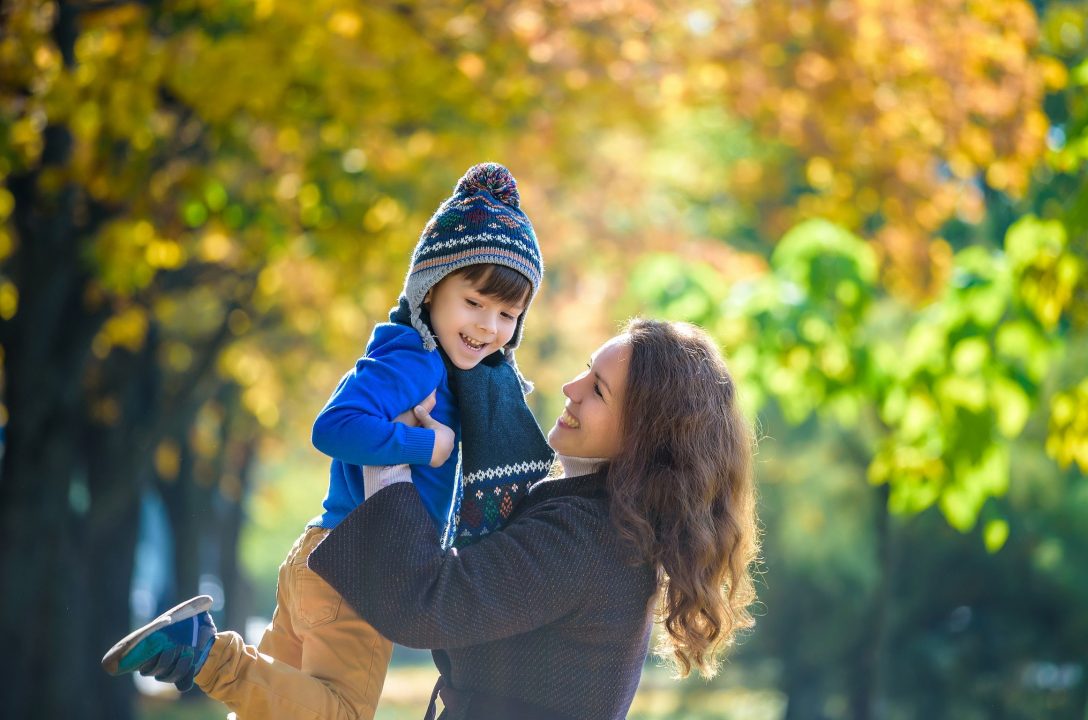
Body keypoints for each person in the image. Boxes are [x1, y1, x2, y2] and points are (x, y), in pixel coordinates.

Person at [101, 162, 555, 720]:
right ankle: (202, 652)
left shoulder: (425, 362)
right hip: (356, 569)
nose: (488, 326)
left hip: (324, 553)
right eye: (474, 303)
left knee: (273, 708)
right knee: (342, 712)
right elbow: (334, 426)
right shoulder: (415, 361)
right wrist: (426, 449)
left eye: (508, 313)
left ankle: (203, 653)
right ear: (430, 289)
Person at [310, 318, 761, 719]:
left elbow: (429, 605)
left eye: (598, 390)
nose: (572, 387)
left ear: (643, 438)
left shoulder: (587, 538)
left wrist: (388, 457)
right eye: (587, 368)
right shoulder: (595, 516)